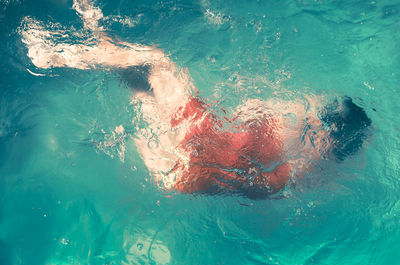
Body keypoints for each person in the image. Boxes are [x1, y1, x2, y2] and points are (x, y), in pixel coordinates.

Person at [21, 0, 371, 198]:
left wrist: (197, 146)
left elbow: (252, 183)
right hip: (191, 141)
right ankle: (97, 45)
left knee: (155, 67)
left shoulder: (296, 167)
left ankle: (56, 54)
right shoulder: (302, 132)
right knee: (153, 66)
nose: (316, 113)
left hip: (174, 163)